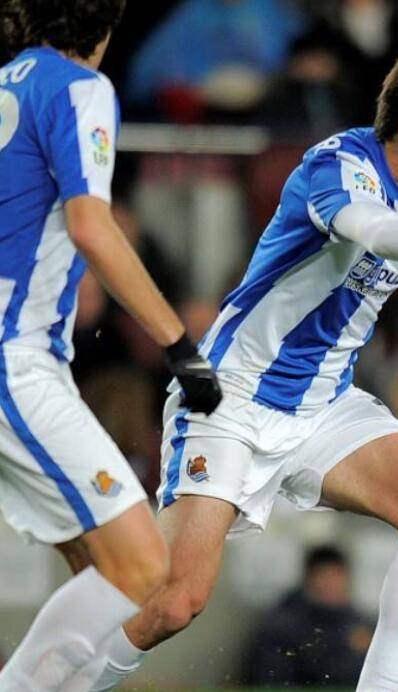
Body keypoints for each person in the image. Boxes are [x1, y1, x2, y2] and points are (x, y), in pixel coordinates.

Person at [87, 39, 398, 692]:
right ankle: (64, 680)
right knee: (175, 603)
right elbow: (379, 231)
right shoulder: (338, 166)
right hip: (234, 398)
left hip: (324, 403)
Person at [0, 1, 223, 689]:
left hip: (27, 358)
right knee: (143, 566)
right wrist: (178, 342)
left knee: (100, 569)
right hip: (12, 357)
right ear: (104, 26)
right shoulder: (79, 88)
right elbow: (92, 227)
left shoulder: (6, 82)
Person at [243, 545, 375, 686]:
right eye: (325, 576)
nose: (332, 584)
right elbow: (270, 679)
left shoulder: (361, 625)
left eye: (337, 576)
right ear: (310, 579)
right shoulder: (282, 629)